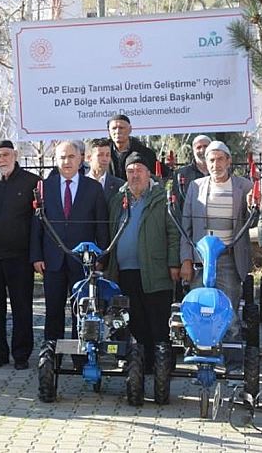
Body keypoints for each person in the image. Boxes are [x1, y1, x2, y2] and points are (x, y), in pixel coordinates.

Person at [105, 152, 180, 371]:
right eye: (130, 171)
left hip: (155, 270)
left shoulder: (162, 198)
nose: (135, 175)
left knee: (158, 322)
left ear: (149, 173)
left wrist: (174, 263)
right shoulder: (118, 199)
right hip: (125, 272)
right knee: (135, 322)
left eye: (139, 170)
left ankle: (163, 368)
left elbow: (173, 233)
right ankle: (142, 367)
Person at [31, 140, 109, 341]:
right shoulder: (44, 187)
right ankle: (52, 352)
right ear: (56, 160)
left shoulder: (93, 188)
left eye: (71, 157)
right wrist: (36, 256)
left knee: (82, 311)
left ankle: (79, 354)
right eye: (62, 157)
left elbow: (101, 225)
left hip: (83, 261)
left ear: (80, 159)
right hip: (52, 260)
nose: (67, 161)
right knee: (53, 311)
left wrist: (102, 257)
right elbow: (37, 224)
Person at [180, 140, 254, 354]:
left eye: (220, 159)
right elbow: (186, 226)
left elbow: (255, 222)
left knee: (228, 313)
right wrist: (186, 260)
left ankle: (232, 363)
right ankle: (201, 358)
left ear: (229, 161)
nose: (216, 164)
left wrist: (254, 207)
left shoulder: (244, 187)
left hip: (229, 258)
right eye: (211, 160)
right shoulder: (196, 187)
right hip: (201, 260)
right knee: (199, 310)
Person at [0, 139, 40, 370]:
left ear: (15, 155)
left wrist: (35, 255)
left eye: (5, 154)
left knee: (21, 308)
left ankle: (21, 355)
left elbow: (38, 222)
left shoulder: (32, 182)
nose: (1, 159)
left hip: (19, 257)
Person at [106, 114, 170, 181]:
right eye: (114, 128)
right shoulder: (103, 152)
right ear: (109, 131)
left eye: (121, 128)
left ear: (130, 130)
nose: (117, 131)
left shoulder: (145, 153)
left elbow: (162, 175)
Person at [170, 134, 211, 210]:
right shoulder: (181, 173)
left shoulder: (219, 172)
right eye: (198, 147)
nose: (202, 150)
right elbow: (176, 203)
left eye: (205, 146)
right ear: (193, 150)